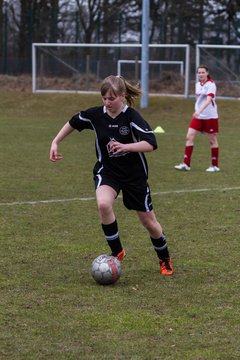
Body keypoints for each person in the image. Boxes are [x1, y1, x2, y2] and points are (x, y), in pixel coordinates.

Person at [50, 75, 173, 275]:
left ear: (122, 96)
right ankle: (117, 251)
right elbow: (74, 121)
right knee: (104, 204)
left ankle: (164, 258)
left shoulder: (131, 117)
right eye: (104, 98)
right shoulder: (97, 115)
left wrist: (126, 146)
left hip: (134, 176)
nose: (107, 103)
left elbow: (151, 143)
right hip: (108, 171)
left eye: (111, 98)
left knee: (149, 223)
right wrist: (55, 142)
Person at [175, 64, 220, 172]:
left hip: (210, 117)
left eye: (203, 72)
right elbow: (199, 100)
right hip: (198, 117)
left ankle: (214, 166)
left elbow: (208, 100)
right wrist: (198, 112)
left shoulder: (211, 84)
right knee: (189, 137)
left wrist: (199, 111)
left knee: (212, 140)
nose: (200, 74)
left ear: (207, 73)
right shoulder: (197, 85)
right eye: (199, 72)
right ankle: (186, 164)